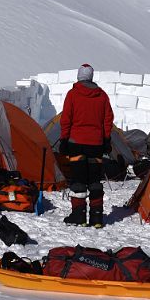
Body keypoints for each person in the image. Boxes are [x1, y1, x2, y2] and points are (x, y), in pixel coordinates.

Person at [58, 64, 114, 228]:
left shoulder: (73, 94)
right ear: (91, 77)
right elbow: (108, 119)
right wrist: (106, 139)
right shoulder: (102, 96)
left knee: (78, 180)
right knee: (95, 181)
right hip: (96, 144)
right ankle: (96, 218)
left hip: (76, 144)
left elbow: (66, 119)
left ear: (79, 76)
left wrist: (64, 139)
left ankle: (79, 216)